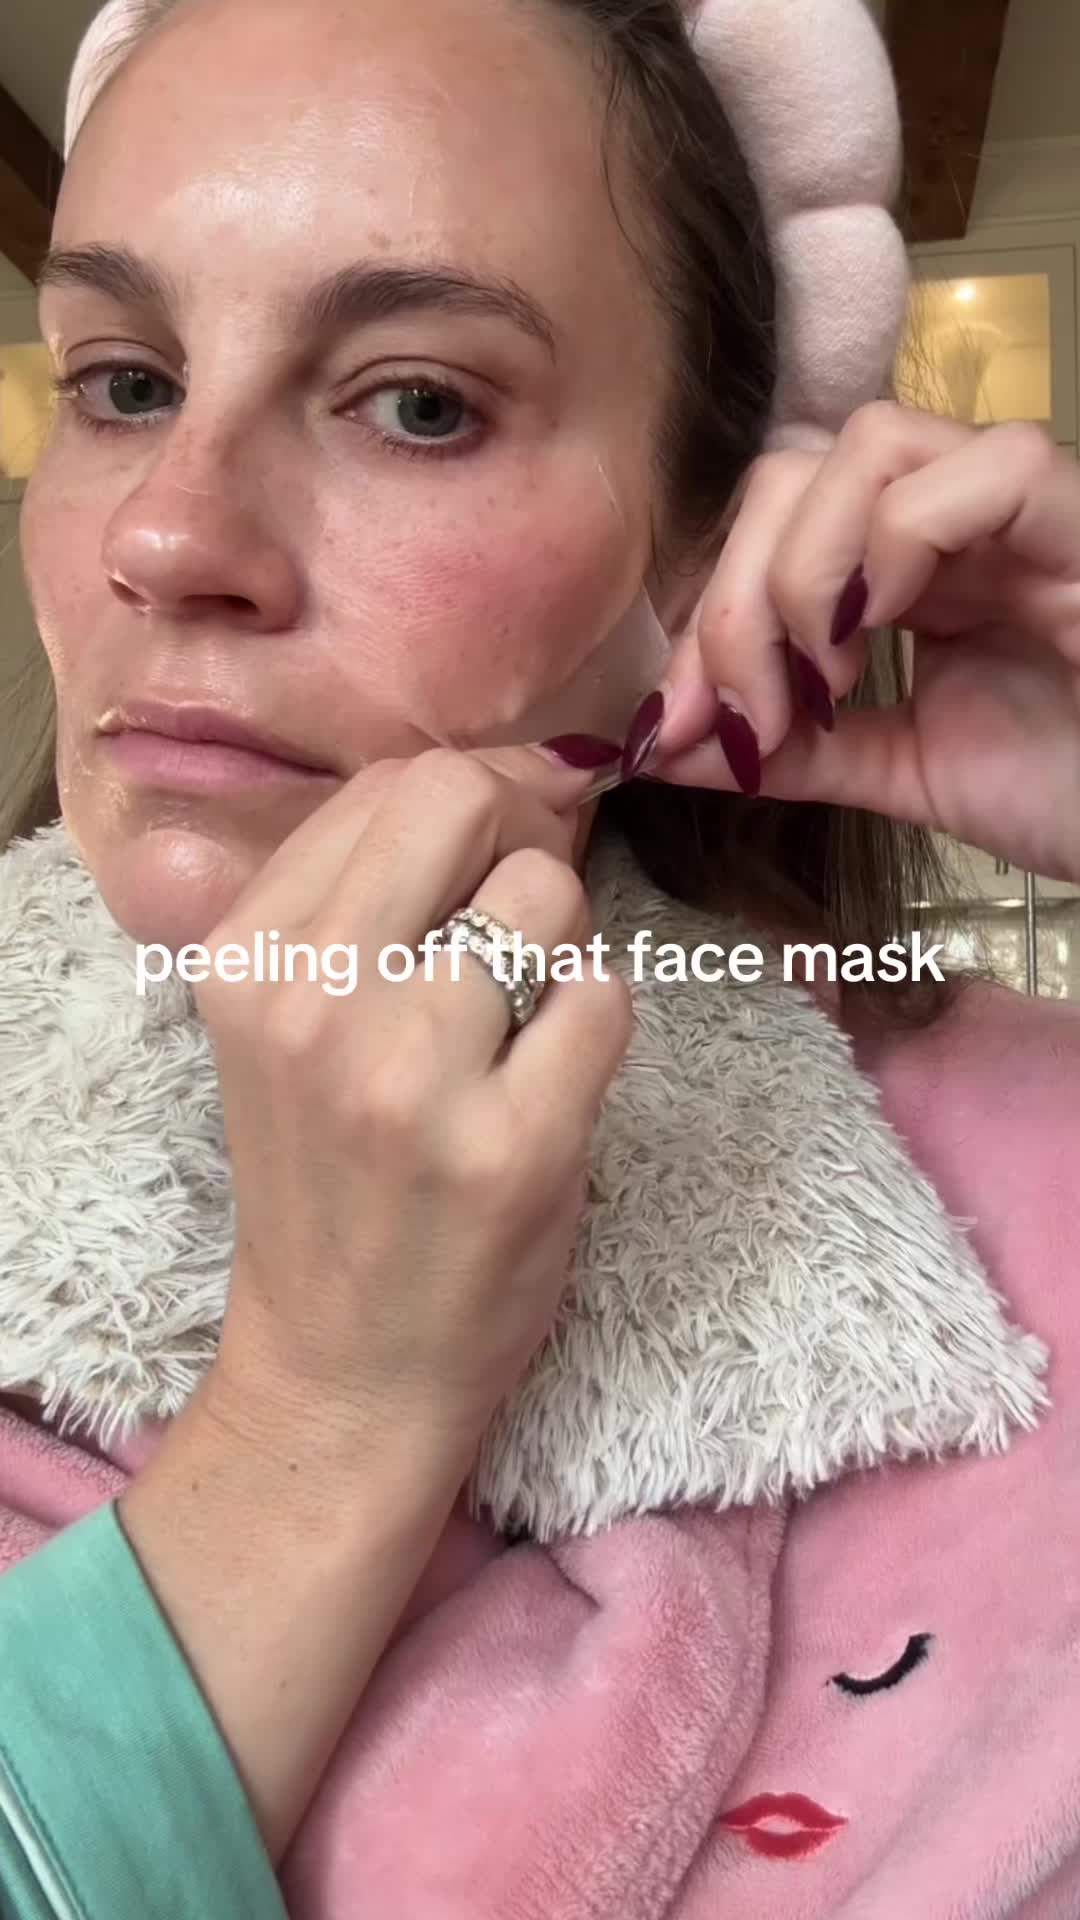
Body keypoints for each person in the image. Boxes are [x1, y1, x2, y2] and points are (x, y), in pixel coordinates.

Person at [1, 0, 1079, 1914]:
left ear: (699, 547)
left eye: (418, 402)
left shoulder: (1028, 1182)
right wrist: (325, 1411)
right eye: (127, 381)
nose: (165, 537)